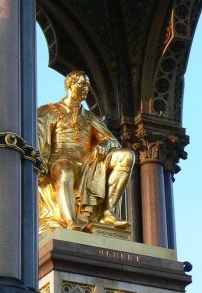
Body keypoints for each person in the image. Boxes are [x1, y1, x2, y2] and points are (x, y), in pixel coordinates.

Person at [37, 71, 135, 233]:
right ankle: (70, 222)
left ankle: (108, 212)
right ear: (70, 85)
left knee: (126, 156)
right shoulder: (48, 111)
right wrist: (40, 165)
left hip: (89, 162)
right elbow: (40, 139)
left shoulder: (90, 117)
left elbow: (112, 141)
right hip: (59, 160)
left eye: (88, 85)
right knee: (64, 170)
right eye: (82, 84)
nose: (86, 88)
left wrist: (104, 143)